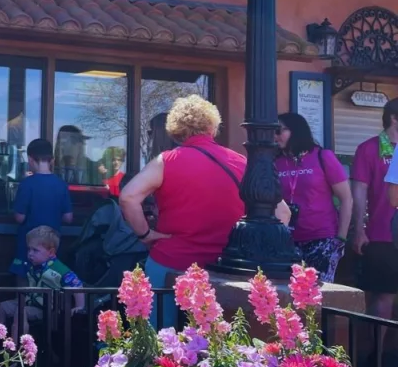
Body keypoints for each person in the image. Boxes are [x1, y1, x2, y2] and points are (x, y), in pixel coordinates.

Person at [119, 95, 291, 328]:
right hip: (225, 269)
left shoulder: (166, 160)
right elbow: (283, 213)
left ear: (175, 129)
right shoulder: (241, 162)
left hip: (172, 259)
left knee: (159, 338)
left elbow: (128, 197)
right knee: (218, 343)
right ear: (213, 126)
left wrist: (145, 235)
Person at [274, 112, 353, 283]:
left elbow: (347, 198)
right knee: (292, 296)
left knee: (319, 297)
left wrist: (340, 239)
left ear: (295, 131)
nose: (275, 136)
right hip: (288, 241)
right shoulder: (275, 161)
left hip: (322, 239)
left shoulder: (322, 156)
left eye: (279, 131)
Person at [350, 98, 398, 323]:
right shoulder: (369, 149)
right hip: (382, 235)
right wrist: (359, 229)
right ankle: (376, 356)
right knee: (382, 297)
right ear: (393, 118)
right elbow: (358, 192)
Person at [0, 226, 85, 339]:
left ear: (51, 252)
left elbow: (77, 285)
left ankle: (18, 348)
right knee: (3, 307)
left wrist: (79, 306)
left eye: (35, 250)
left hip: (48, 310)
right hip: (31, 303)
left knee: (21, 311)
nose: (30, 253)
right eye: (29, 249)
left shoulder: (60, 269)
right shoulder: (33, 266)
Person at [9, 139, 73, 277]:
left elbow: (20, 218)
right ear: (52, 160)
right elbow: (68, 218)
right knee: (51, 280)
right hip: (52, 245)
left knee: (24, 281)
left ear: (30, 159)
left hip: (29, 245)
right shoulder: (61, 185)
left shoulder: (27, 184)